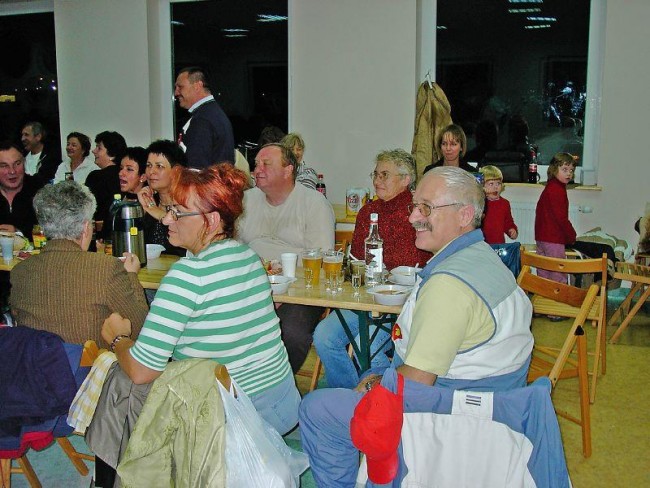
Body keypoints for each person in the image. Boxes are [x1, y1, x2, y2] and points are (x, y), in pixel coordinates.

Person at [299, 166, 534, 486]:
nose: (412, 217)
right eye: (415, 206)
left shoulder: (449, 285)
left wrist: (375, 386)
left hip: (453, 419)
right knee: (371, 373)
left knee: (318, 409)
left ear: (465, 215)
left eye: (426, 208)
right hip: (495, 404)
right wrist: (380, 377)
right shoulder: (486, 259)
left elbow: (416, 383)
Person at [101, 164, 300, 435]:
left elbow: (141, 371)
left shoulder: (188, 275)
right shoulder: (249, 256)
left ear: (212, 221)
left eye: (177, 212)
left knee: (120, 379)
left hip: (236, 420)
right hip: (282, 403)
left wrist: (118, 339)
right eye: (169, 210)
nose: (167, 220)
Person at [313, 149, 431, 388]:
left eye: (384, 175)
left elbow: (418, 263)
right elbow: (356, 260)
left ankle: (385, 395)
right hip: (367, 299)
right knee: (323, 336)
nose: (377, 180)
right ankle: (349, 394)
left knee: (365, 345)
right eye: (375, 174)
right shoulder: (367, 211)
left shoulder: (418, 213)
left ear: (406, 179)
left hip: (402, 305)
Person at [10, 181, 149, 346]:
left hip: (35, 360)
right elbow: (140, 328)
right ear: (86, 228)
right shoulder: (106, 268)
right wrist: (131, 275)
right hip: (88, 361)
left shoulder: (19, 271)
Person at [237, 143, 334, 372]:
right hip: (252, 286)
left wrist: (282, 291)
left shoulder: (313, 203)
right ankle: (240, 379)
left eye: (266, 164)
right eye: (256, 164)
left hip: (302, 290)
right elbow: (233, 249)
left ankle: (278, 382)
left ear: (288, 170)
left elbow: (320, 260)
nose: (257, 170)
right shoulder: (245, 201)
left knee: (291, 331)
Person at [174, 66, 234, 168]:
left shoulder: (202, 120)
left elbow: (196, 169)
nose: (176, 93)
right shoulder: (212, 113)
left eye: (180, 87)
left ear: (197, 86)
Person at [137, 140, 187, 256]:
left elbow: (185, 245)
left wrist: (155, 211)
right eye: (149, 165)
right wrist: (142, 212)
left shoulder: (187, 204)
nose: (151, 172)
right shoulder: (148, 200)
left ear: (176, 172)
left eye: (159, 166)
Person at [535, 152, 578, 283]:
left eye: (571, 170)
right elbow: (561, 218)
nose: (569, 173)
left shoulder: (551, 186)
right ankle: (557, 296)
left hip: (542, 238)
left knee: (543, 273)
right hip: (553, 239)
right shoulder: (557, 190)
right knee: (557, 275)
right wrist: (571, 236)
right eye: (564, 169)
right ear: (554, 169)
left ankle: (542, 294)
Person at [85, 131, 128, 238]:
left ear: (112, 155)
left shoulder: (95, 177)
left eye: (99, 148)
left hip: (101, 234)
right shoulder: (126, 176)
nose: (93, 151)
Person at [0, 141, 44, 237]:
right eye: (4, 166)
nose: (12, 171)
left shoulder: (41, 190)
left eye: (17, 163)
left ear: (24, 163)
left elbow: (54, 233)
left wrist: (18, 233)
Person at [480, 165, 518, 244]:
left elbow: (508, 222)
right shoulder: (479, 202)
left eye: (498, 183)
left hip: (499, 244)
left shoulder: (505, 204)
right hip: (482, 244)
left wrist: (511, 229)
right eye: (491, 184)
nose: (495, 187)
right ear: (482, 186)